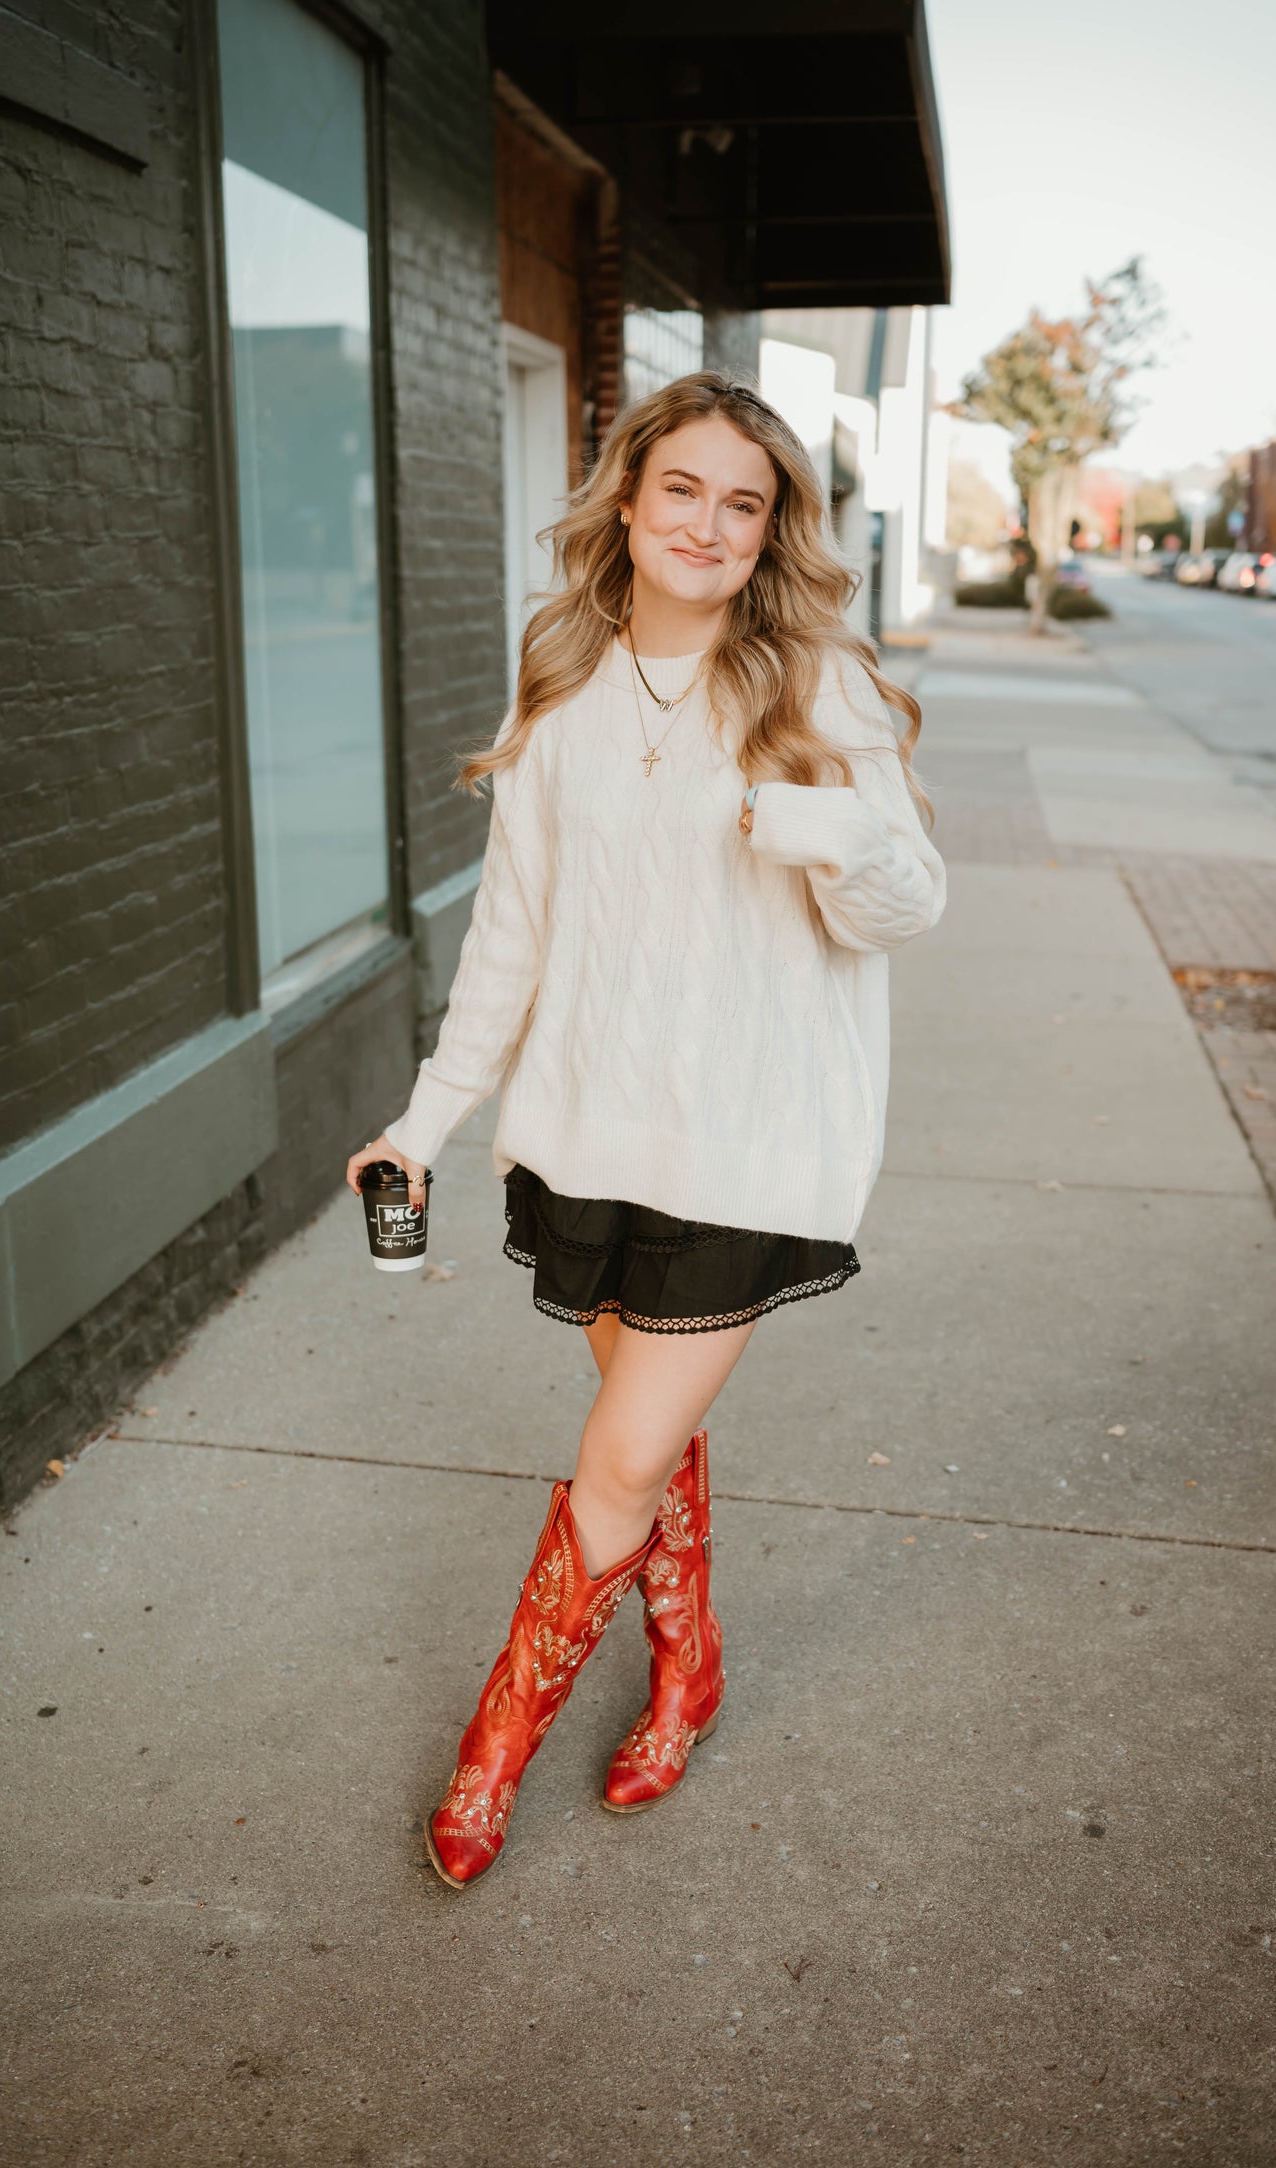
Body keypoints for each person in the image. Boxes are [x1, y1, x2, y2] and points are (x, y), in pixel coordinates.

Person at [345, 371, 946, 1890]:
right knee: (648, 1443)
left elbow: (910, 907)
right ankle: (688, 1668)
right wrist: (422, 1121)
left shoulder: (821, 688)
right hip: (584, 1137)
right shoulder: (559, 686)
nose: (709, 523)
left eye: (744, 503)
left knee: (615, 1458)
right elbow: (511, 939)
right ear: (629, 498)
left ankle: (492, 1757)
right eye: (683, 488)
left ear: (771, 532)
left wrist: (850, 839)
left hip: (748, 1145)